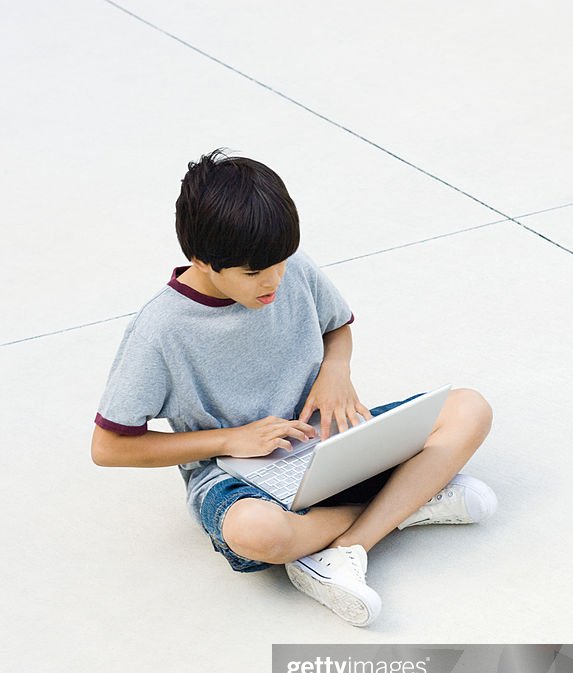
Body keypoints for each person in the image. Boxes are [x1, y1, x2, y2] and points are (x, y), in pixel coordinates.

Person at [91, 148, 497, 626]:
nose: (274, 282)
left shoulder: (287, 266)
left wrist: (336, 372)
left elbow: (337, 326)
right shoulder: (160, 330)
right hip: (239, 478)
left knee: (469, 407)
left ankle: (345, 547)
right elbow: (109, 447)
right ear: (201, 260)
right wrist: (229, 440)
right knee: (257, 534)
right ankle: (406, 503)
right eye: (253, 274)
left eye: (280, 264)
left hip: (331, 442)